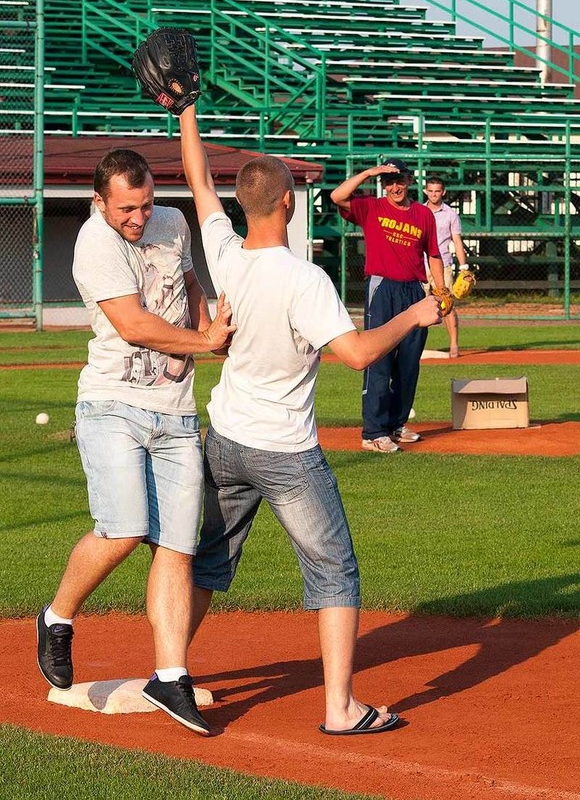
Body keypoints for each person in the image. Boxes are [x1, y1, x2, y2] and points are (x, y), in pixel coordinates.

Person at [178, 105, 442, 736]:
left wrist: (185, 110)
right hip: (286, 451)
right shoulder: (306, 278)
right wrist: (414, 315)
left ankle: (168, 674)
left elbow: (198, 181)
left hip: (226, 439)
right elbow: (356, 354)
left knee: (208, 562)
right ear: (289, 204)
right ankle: (340, 708)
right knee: (334, 570)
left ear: (243, 205)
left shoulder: (225, 254)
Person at [36, 148, 235, 736]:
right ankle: (57, 616)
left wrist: (205, 322)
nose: (139, 217)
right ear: (100, 202)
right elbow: (133, 324)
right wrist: (206, 343)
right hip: (112, 405)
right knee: (123, 530)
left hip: (175, 413)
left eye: (146, 204)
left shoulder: (171, 223)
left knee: (176, 546)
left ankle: (170, 677)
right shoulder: (94, 242)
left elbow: (190, 281)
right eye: (127, 208)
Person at [330, 159, 445, 454]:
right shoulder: (372, 207)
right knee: (378, 359)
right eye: (389, 182)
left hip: (414, 290)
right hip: (383, 288)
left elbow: (433, 254)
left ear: (409, 182)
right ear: (383, 184)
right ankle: (374, 432)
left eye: (400, 181)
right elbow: (337, 196)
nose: (395, 187)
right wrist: (370, 173)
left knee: (409, 363)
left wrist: (441, 290)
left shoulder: (423, 214)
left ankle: (396, 423)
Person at [424, 175, 469, 358]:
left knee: (447, 305)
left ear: (443, 192)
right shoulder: (418, 211)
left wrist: (464, 266)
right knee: (417, 307)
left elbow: (457, 241)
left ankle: (454, 345)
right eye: (430, 191)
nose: (434, 194)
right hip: (421, 265)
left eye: (437, 191)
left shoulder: (451, 214)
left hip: (443, 264)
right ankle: (414, 347)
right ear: (425, 191)